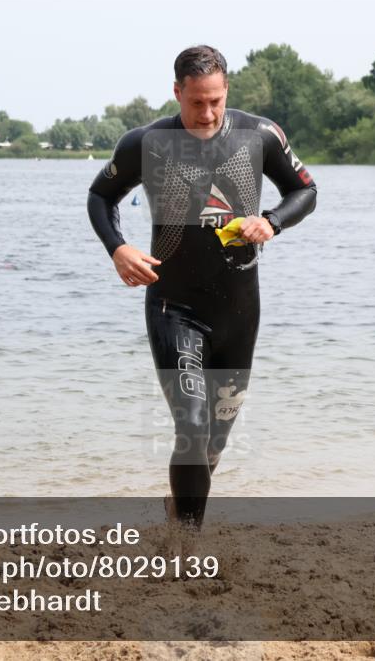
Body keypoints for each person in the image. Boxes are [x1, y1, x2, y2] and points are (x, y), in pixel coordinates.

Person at [87, 45, 317, 529]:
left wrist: (272, 222)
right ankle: (187, 544)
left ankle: (178, 509)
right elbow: (101, 195)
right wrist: (118, 248)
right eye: (196, 102)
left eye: (215, 100)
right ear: (177, 92)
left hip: (238, 312)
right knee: (191, 427)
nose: (207, 113)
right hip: (175, 307)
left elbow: (305, 190)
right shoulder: (145, 143)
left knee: (213, 442)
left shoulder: (261, 135)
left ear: (226, 90)